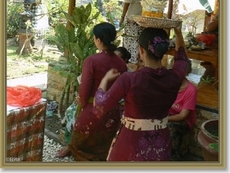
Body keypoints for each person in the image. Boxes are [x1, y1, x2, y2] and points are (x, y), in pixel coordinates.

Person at [93, 23, 190, 161]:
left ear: (141, 50)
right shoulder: (174, 78)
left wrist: (104, 81)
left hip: (131, 144)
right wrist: (178, 33)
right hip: (161, 144)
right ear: (163, 51)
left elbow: (100, 107)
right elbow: (182, 59)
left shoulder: (130, 79)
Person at [64, 22, 128, 161]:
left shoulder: (91, 61)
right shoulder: (121, 63)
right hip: (113, 112)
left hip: (92, 108)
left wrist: (81, 104)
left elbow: (85, 87)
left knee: (79, 128)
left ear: (98, 40)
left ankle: (79, 154)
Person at [168, 59, 197, 161]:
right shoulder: (169, 84)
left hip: (184, 121)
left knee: (169, 127)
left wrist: (165, 119)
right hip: (169, 115)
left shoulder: (191, 90)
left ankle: (173, 158)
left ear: (186, 72)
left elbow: (183, 115)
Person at [119, 0, 146, 64]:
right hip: (142, 19)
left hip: (132, 18)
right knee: (139, 39)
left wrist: (122, 17)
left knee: (130, 39)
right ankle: (138, 60)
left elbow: (126, 3)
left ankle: (129, 60)